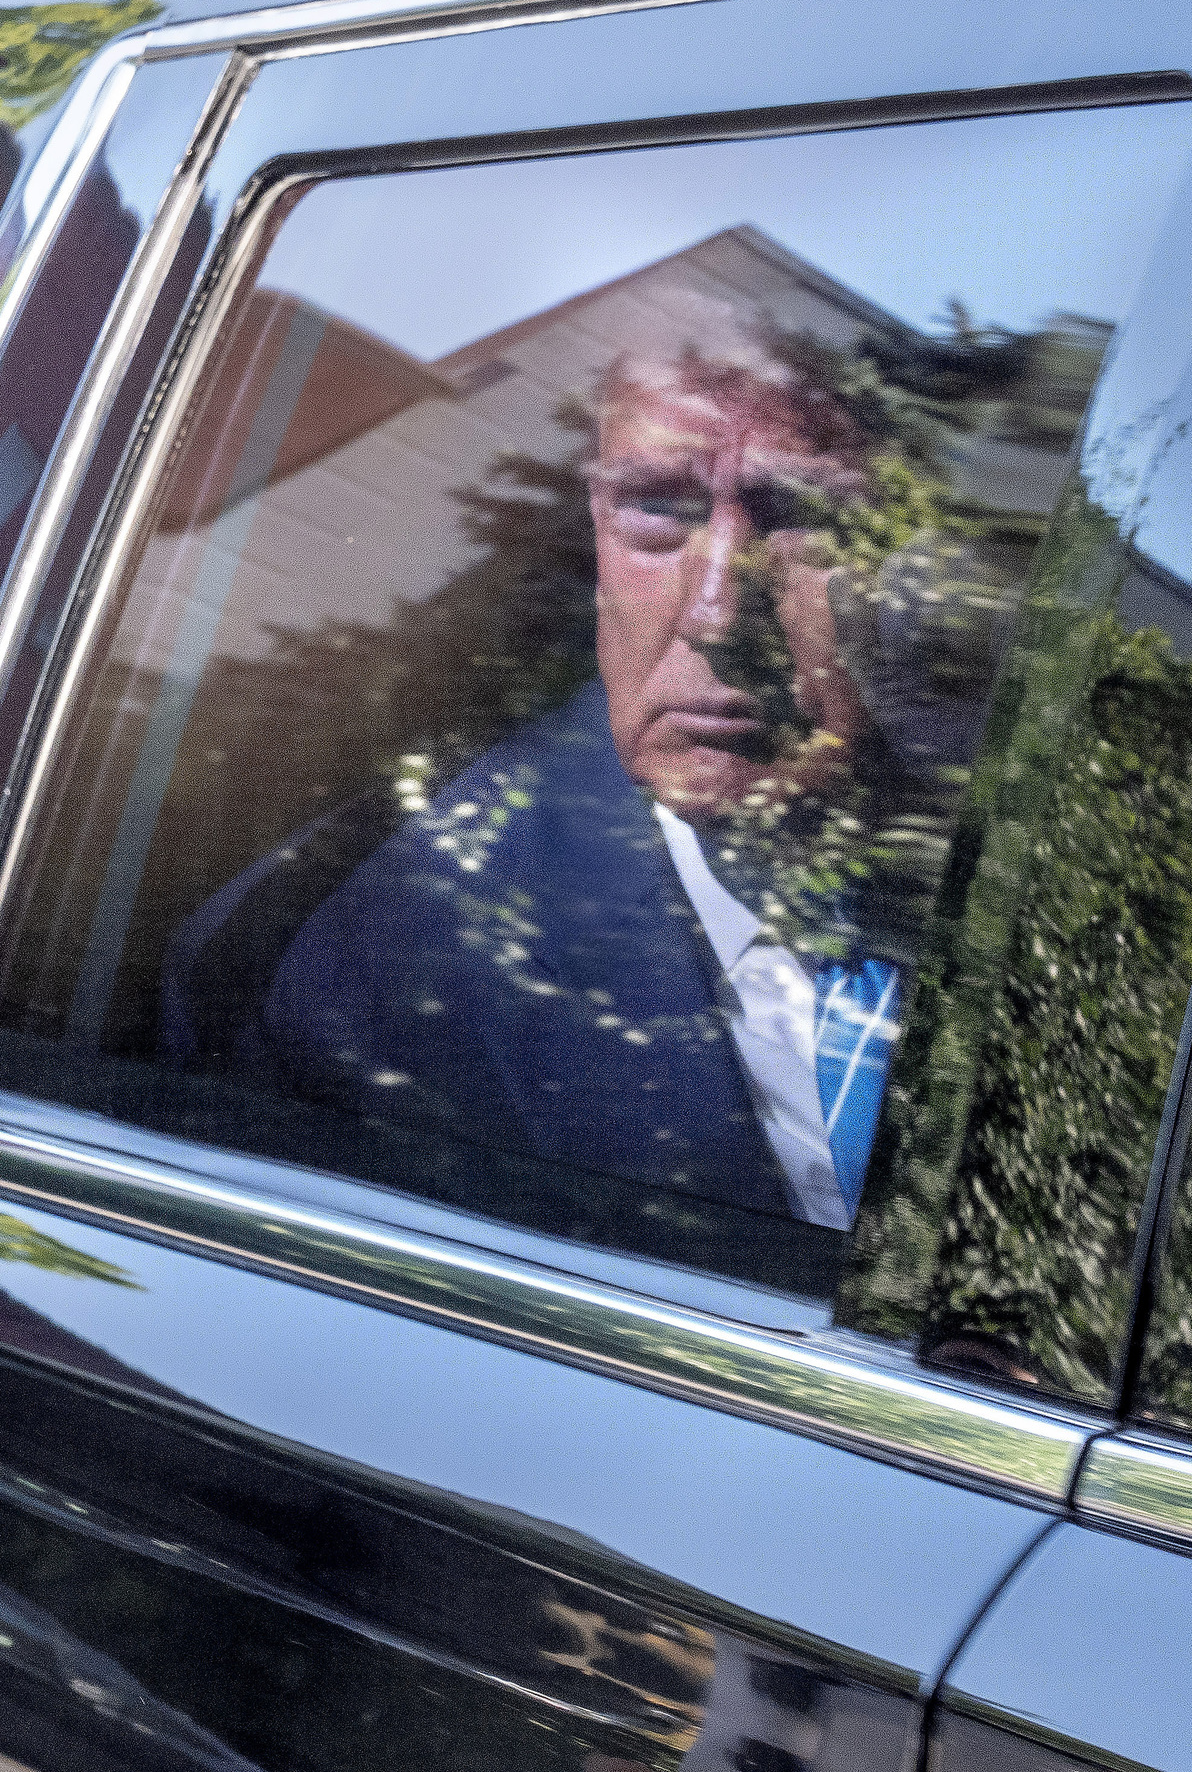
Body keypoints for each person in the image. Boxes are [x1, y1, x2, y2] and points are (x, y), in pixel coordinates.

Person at [221, 327, 923, 1230]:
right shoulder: (381, 975)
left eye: (796, 521)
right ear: (597, 536)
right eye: (659, 512)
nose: (715, 614)